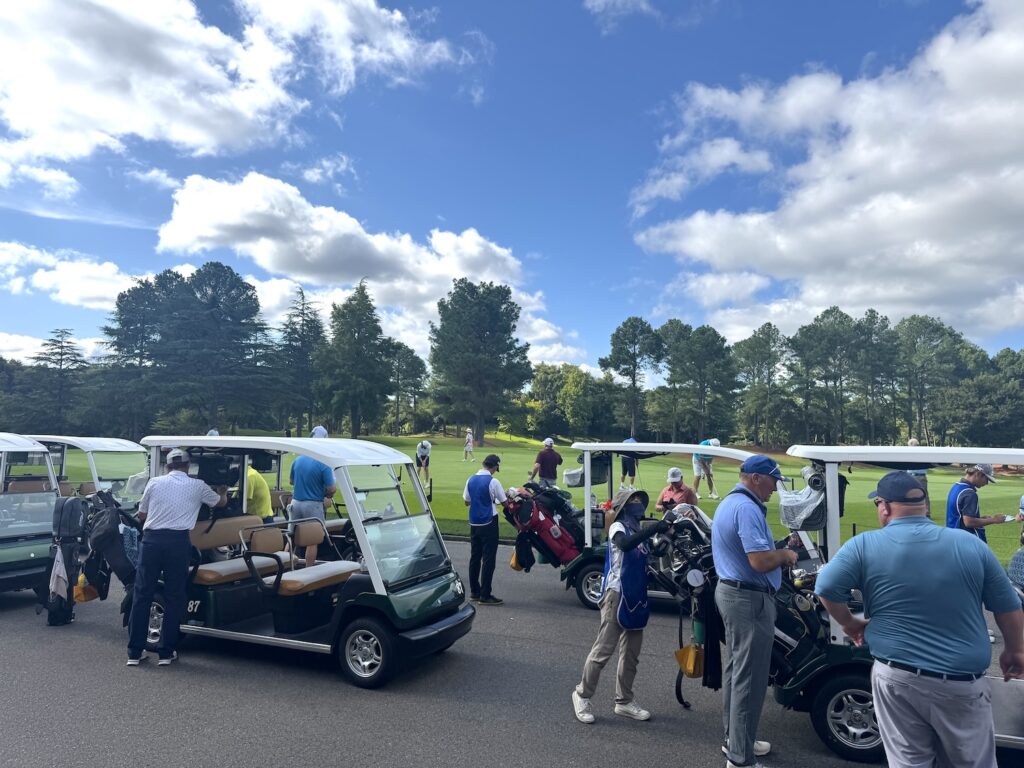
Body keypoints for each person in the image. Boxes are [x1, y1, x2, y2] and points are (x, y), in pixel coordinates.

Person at [815, 471, 1024, 768]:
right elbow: (1008, 606)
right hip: (961, 682)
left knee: (909, 762)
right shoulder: (971, 545)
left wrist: (849, 623)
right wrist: (1015, 650)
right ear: (924, 506)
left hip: (896, 677)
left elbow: (825, 588)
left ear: (884, 506)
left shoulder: (864, 544)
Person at [712, 454, 795, 768]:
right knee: (750, 679)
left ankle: (737, 741)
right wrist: (785, 554)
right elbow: (759, 561)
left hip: (735, 594)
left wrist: (779, 545)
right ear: (757, 478)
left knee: (737, 673)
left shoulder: (733, 502)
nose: (775, 488)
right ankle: (740, 759)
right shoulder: (746, 508)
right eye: (773, 481)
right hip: (748, 599)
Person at [572, 489, 675, 726]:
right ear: (623, 507)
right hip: (616, 594)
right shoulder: (618, 527)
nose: (638, 504)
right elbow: (626, 545)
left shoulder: (637, 530)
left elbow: (653, 551)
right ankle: (582, 695)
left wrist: (667, 531)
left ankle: (624, 700)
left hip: (636, 595)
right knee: (603, 651)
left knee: (631, 654)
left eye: (639, 500)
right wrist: (655, 527)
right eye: (634, 501)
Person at [127, 448, 227, 666]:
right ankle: (166, 652)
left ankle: (134, 652)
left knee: (142, 594)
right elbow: (219, 503)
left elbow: (142, 514)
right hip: (177, 542)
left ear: (168, 466)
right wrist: (223, 491)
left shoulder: (154, 482)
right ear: (188, 466)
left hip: (152, 541)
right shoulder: (198, 485)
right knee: (174, 596)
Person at [463, 454, 508, 605]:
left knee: (475, 557)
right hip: (489, 522)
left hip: (474, 522)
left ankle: (474, 592)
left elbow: (466, 501)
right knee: (488, 559)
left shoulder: (470, 479)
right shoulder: (493, 481)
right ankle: (485, 594)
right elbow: (505, 503)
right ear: (494, 467)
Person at [289, 426, 337, 567]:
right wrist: (327, 494)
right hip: (313, 505)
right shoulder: (323, 463)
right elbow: (331, 488)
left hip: (295, 503)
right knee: (312, 540)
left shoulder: (298, 460)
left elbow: (291, 481)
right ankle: (308, 569)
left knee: (291, 536)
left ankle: (285, 566)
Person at [946, 463, 1009, 544]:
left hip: (953, 538)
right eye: (986, 479)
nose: (987, 483)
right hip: (965, 540)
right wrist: (994, 520)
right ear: (978, 474)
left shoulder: (956, 487)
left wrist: (982, 519)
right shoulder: (969, 493)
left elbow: (960, 517)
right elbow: (969, 522)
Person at [905, 437, 930, 516]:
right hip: (911, 476)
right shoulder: (909, 453)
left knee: (924, 494)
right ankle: (912, 512)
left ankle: (927, 512)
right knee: (910, 494)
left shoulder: (922, 453)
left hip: (920, 476)